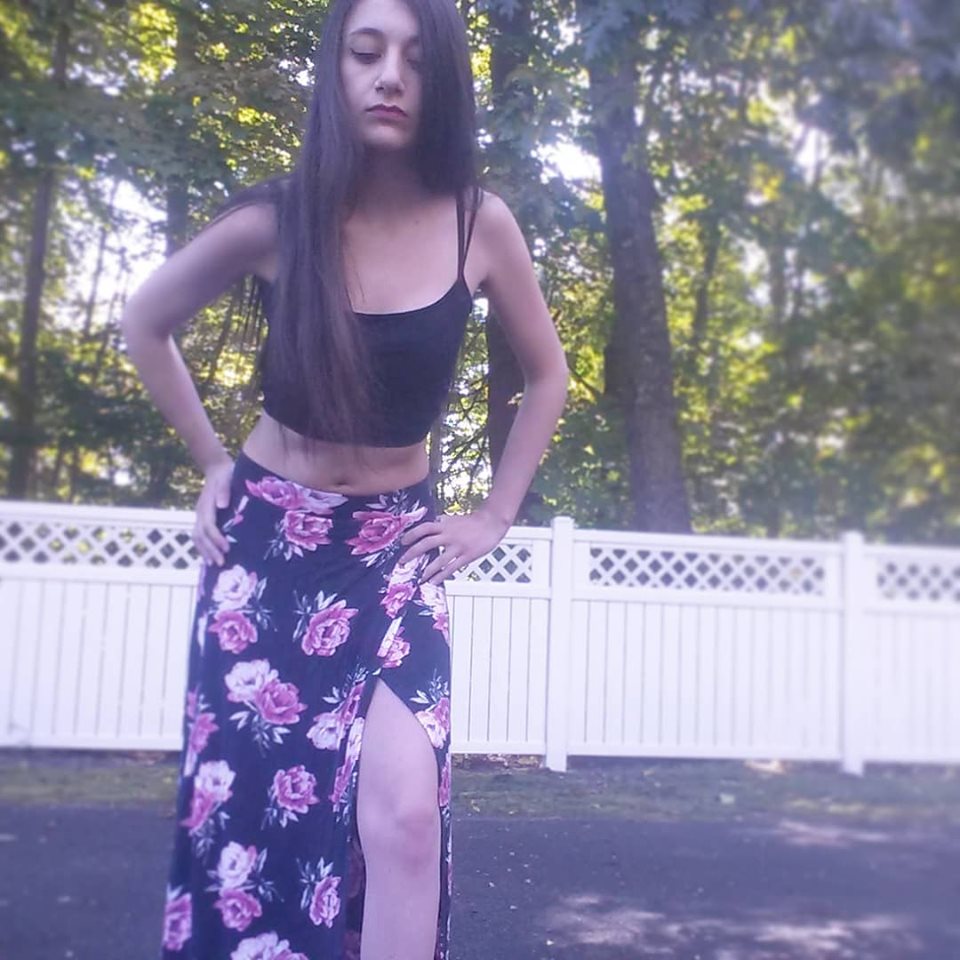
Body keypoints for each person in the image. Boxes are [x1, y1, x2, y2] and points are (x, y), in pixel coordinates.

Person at [119, 0, 568, 955]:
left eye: (416, 59)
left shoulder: (478, 224)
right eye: (366, 52)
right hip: (267, 552)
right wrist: (212, 461)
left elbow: (547, 375)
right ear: (337, 70)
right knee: (251, 826)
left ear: (444, 83)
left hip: (397, 550)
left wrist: (495, 513)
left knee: (406, 819)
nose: (390, 75)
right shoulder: (276, 221)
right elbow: (146, 322)